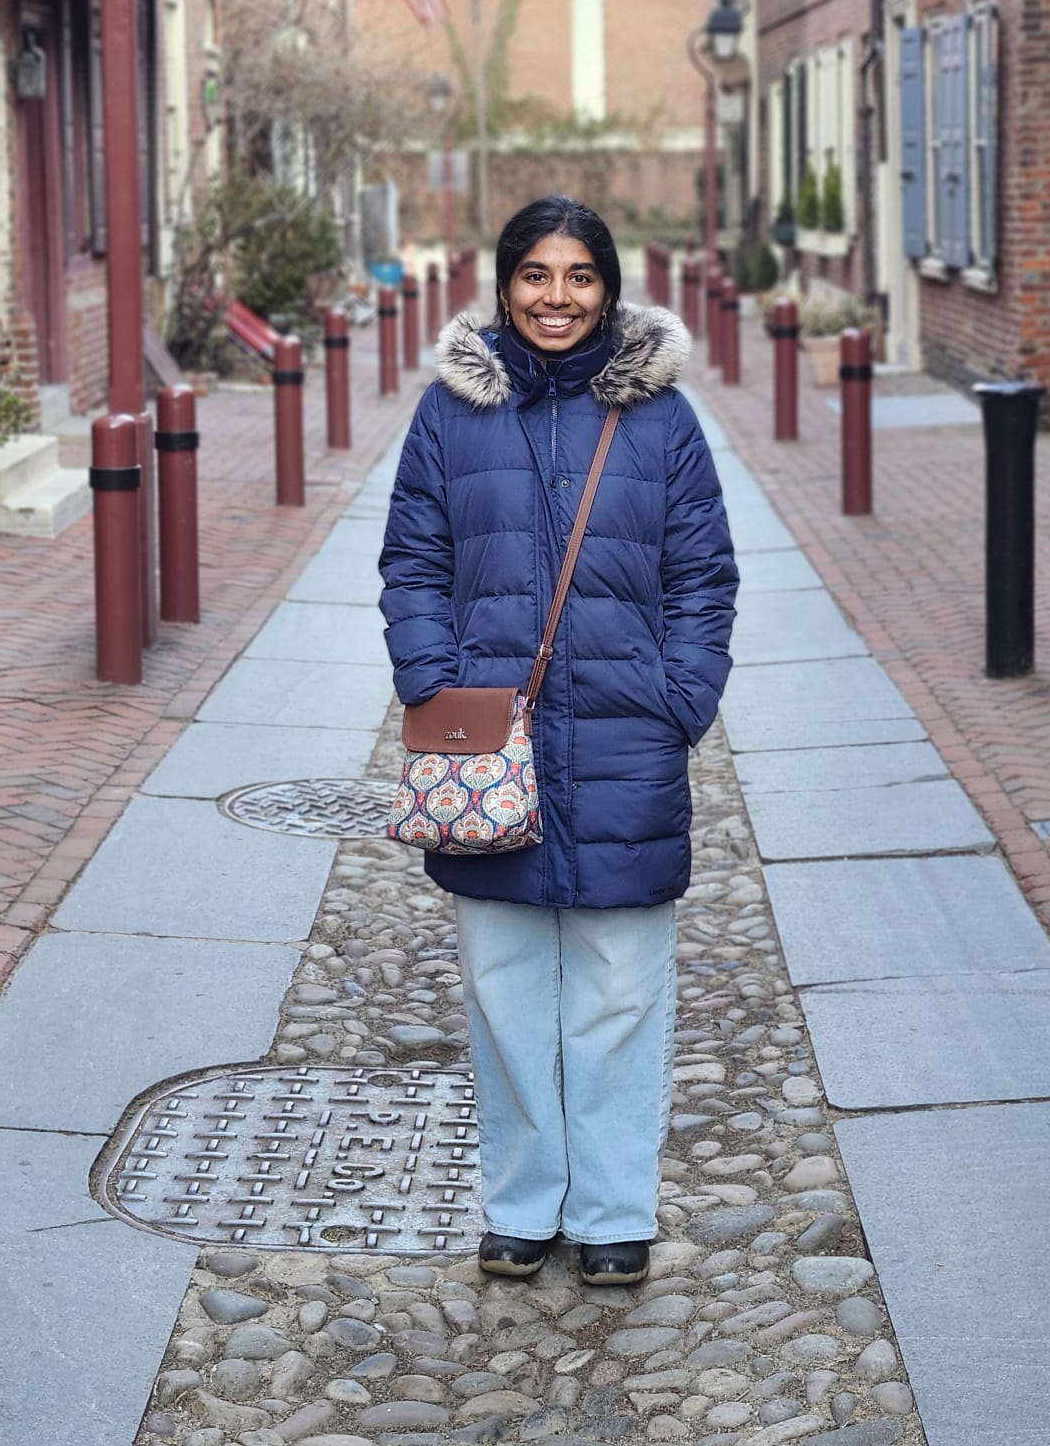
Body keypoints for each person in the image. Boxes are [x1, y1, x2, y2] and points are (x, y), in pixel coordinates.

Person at [379, 195, 738, 1286]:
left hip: (630, 737)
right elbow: (413, 562)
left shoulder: (662, 419)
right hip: (487, 742)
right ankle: (522, 1204)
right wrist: (431, 681)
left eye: (580, 275)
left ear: (609, 289)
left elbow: (703, 575)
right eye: (536, 273)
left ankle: (614, 1211)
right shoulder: (449, 415)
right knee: (503, 989)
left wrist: (683, 697)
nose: (557, 296)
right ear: (504, 286)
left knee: (620, 987)